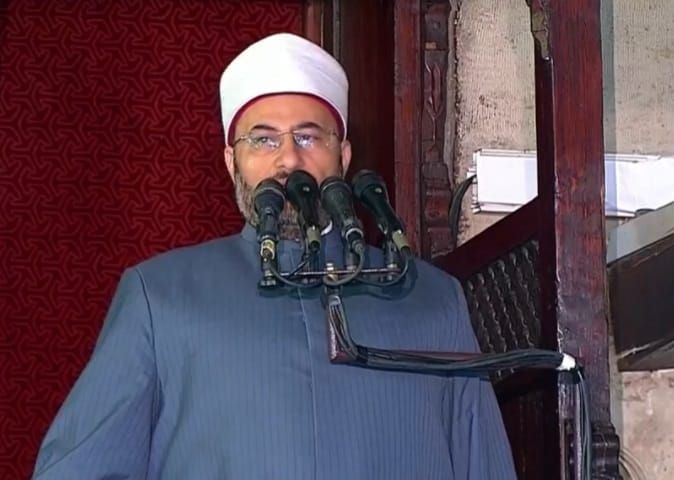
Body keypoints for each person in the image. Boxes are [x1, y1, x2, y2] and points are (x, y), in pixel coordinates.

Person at [32, 33, 516, 479]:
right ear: (231, 162)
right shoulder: (161, 297)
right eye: (263, 139)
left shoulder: (429, 299)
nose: (288, 159)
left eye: (308, 137)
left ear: (344, 157)